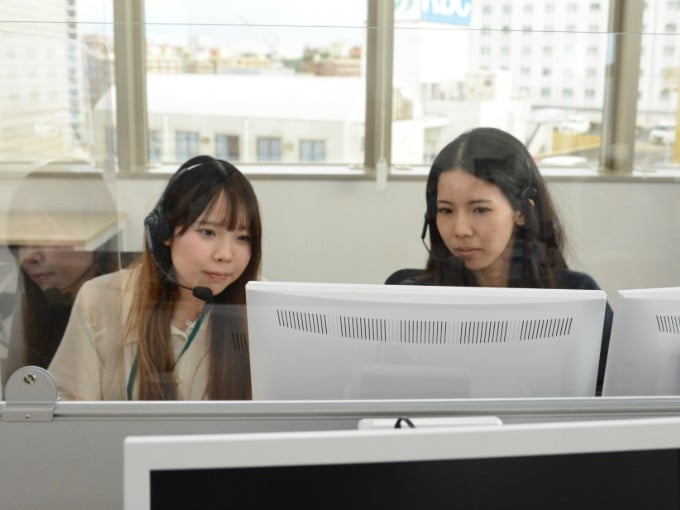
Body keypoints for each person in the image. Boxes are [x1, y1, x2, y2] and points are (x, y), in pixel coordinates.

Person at [404, 127, 612, 395]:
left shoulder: (578, 298)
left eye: (480, 209)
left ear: (521, 212)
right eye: (445, 210)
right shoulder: (412, 302)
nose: (460, 230)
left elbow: (609, 399)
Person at [48, 155, 262, 400]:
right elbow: (67, 409)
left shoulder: (265, 309)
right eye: (207, 232)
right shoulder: (101, 299)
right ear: (164, 232)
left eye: (243, 238)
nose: (225, 255)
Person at [2, 166, 120, 387]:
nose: (29, 256)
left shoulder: (125, 310)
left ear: (96, 233)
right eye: (20, 241)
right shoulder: (36, 309)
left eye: (44, 235)